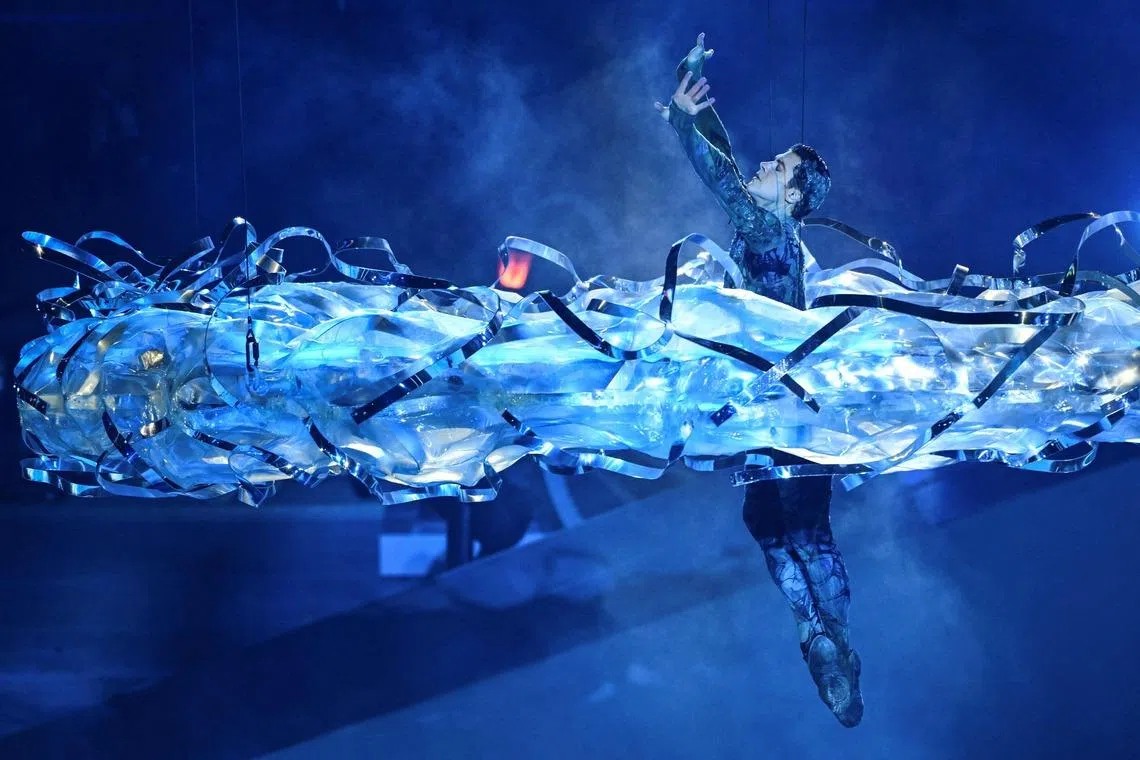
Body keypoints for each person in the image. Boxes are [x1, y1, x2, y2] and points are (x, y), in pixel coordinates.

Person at [656, 33, 863, 727]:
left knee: (795, 525)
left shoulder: (771, 232)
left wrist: (684, 120)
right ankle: (825, 639)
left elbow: (724, 183)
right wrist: (694, 104)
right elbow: (732, 173)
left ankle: (827, 638)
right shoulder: (773, 233)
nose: (767, 165)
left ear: (793, 194)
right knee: (784, 522)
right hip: (774, 407)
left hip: (783, 409)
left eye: (781, 167)